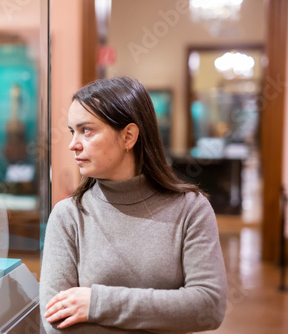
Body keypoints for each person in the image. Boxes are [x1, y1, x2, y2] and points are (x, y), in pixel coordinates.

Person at [40, 76, 227, 333]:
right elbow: (56, 323)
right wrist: (166, 314)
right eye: (73, 131)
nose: (73, 144)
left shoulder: (191, 209)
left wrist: (96, 303)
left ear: (128, 136)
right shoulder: (68, 216)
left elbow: (208, 307)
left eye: (87, 130)